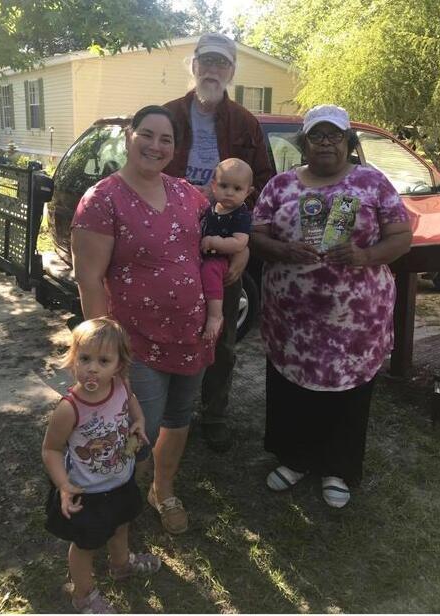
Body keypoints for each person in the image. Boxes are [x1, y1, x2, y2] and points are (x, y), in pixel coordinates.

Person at [250, 104, 412, 507]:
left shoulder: (372, 182)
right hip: (293, 321)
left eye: (334, 135)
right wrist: (282, 249)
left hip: (353, 325)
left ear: (348, 142)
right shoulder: (280, 185)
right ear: (304, 143)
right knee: (291, 389)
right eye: (317, 136)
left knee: (348, 394)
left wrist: (364, 256)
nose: (325, 143)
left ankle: (337, 467)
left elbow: (401, 237)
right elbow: (255, 234)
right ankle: (295, 458)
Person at [70, 105, 214, 535]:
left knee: (179, 416)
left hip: (190, 333)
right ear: (129, 137)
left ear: (174, 147)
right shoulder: (101, 200)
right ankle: (116, 502)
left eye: (166, 139)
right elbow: (90, 279)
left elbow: (212, 240)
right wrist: (104, 351)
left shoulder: (189, 194)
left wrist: (239, 253)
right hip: (135, 342)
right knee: (136, 429)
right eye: (146, 135)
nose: (156, 145)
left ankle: (162, 490)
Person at [164, 32, 274, 452]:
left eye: (221, 63)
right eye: (206, 61)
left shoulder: (246, 122)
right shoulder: (169, 116)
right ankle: (166, 413)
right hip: (170, 239)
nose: (213, 70)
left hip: (224, 244)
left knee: (222, 335)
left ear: (231, 71)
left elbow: (263, 182)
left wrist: (244, 243)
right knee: (168, 326)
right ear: (192, 65)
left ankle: (213, 415)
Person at [42, 318, 161, 614]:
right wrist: (64, 485)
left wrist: (139, 421)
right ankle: (84, 596)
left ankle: (121, 564)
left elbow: (131, 400)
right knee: (85, 546)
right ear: (73, 359)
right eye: (85, 358)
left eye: (103, 360)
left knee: (121, 525)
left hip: (120, 480)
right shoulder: (69, 408)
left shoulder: (120, 385)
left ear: (119, 365)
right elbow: (51, 449)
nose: (92, 368)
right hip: (87, 492)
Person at [201, 158, 253, 340]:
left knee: (210, 271)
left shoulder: (241, 214)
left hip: (221, 261)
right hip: (204, 257)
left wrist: (215, 242)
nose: (229, 193)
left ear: (248, 192)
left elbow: (240, 242)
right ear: (213, 186)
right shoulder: (210, 207)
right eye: (224, 186)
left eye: (237, 189)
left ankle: (215, 316)